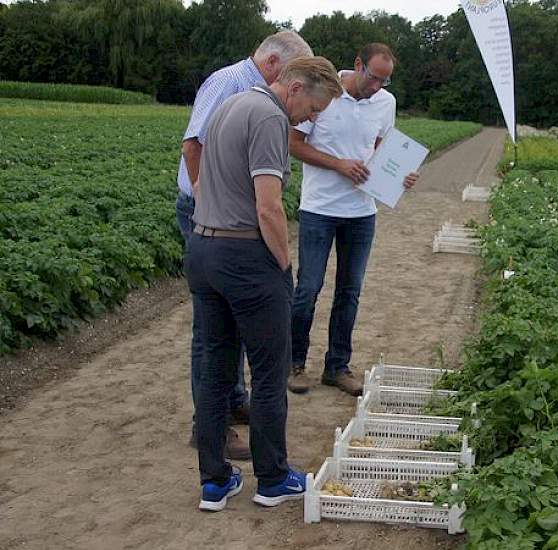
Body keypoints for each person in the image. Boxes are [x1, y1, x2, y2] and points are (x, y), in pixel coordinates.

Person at [185, 56, 343, 512]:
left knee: (216, 371)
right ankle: (272, 479)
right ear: (294, 87)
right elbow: (269, 207)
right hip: (245, 257)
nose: (310, 120)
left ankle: (214, 483)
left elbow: (197, 170)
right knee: (270, 372)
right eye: (313, 109)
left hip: (203, 249)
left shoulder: (230, 105)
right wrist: (283, 263)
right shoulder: (271, 118)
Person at [175, 31, 313, 459]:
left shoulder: (255, 97)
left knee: (229, 324)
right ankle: (208, 426)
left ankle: (232, 403)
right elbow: (193, 144)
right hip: (214, 221)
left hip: (228, 224)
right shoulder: (229, 84)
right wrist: (205, 199)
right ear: (274, 64)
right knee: (213, 332)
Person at [286, 43, 419, 396]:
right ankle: (294, 363)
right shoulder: (324, 93)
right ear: (358, 64)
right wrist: (338, 165)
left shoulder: (385, 104)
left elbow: (380, 150)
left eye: (385, 81)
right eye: (374, 77)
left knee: (350, 292)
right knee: (308, 289)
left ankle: (337, 366)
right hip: (319, 208)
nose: (378, 87)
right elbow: (293, 144)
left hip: (361, 213)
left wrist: (399, 174)